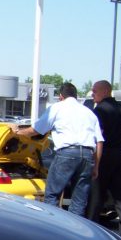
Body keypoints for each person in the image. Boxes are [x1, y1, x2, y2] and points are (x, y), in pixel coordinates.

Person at [10, 82, 103, 216]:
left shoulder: (57, 108)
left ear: (60, 96)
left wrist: (17, 132)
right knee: (79, 199)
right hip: (88, 155)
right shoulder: (89, 113)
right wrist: (96, 166)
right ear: (76, 96)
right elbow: (99, 141)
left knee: (52, 194)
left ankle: (53, 227)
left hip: (67, 153)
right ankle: (75, 232)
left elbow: (35, 130)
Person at [86, 80, 121, 240]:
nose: (92, 94)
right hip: (120, 153)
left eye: (95, 91)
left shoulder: (100, 111)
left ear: (105, 91)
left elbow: (98, 136)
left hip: (104, 153)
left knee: (97, 193)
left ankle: (91, 228)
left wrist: (95, 162)